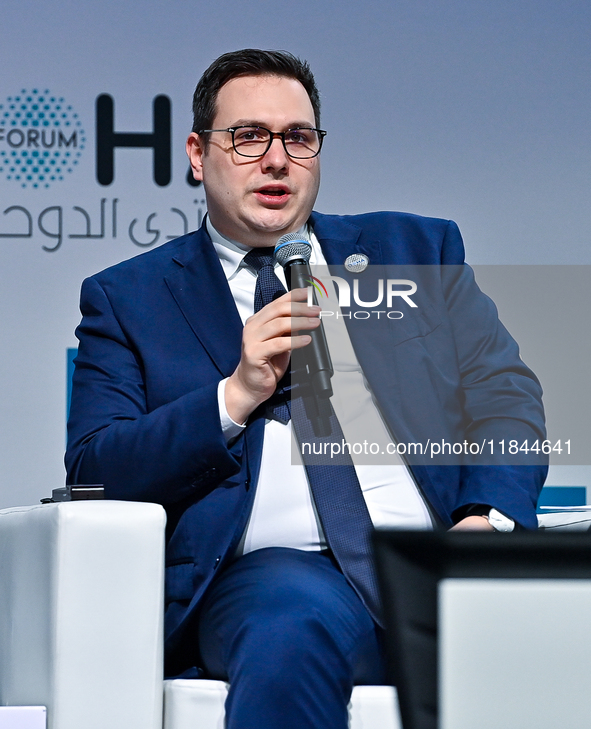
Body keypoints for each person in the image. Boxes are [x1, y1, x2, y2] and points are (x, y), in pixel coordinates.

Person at [66, 49, 547, 729]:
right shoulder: (129, 297)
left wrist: (483, 523)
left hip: (436, 562)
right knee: (290, 625)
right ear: (198, 154)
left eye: (297, 137)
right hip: (278, 580)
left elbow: (504, 396)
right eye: (248, 136)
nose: (276, 159)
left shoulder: (413, 250)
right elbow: (96, 465)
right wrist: (234, 395)